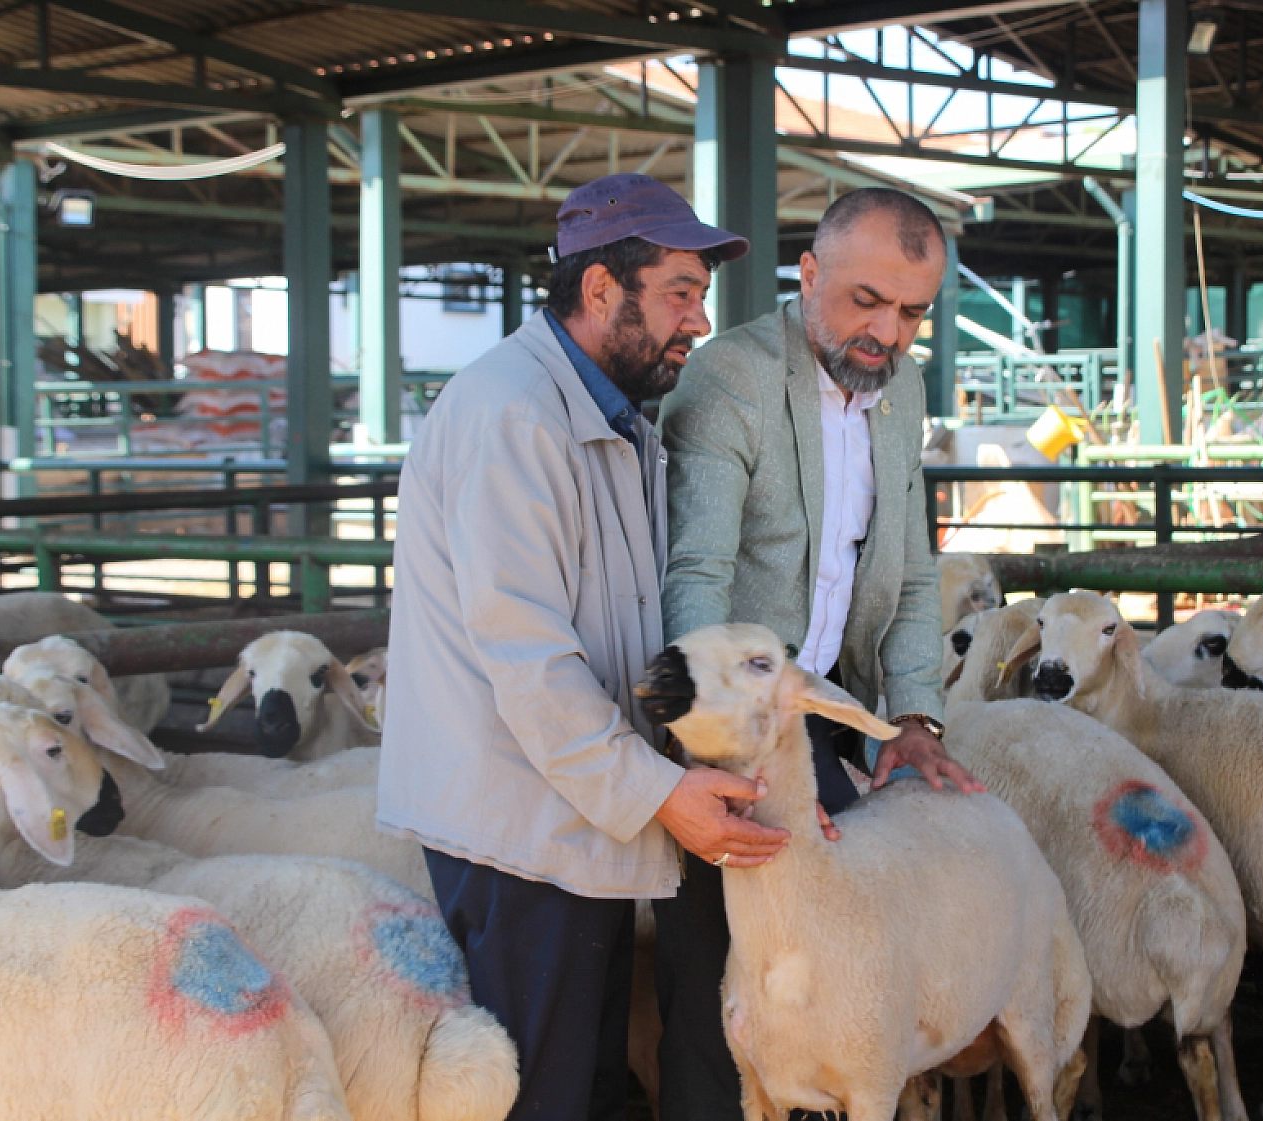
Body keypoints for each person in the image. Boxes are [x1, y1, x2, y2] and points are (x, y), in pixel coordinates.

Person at [378, 173, 793, 1121]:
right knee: (544, 1096)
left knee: (591, 1083)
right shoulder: (514, 417)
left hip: (574, 816)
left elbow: (619, 617)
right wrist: (659, 793)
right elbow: (529, 657)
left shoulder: (608, 415)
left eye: (701, 295)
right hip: (520, 834)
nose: (699, 318)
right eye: (681, 292)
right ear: (602, 289)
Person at [656, 186, 984, 1121]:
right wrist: (712, 749)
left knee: (840, 978)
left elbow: (915, 569)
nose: (888, 330)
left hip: (828, 717)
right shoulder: (732, 379)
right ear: (808, 276)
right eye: (865, 300)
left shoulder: (903, 388)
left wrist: (915, 717)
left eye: (913, 311)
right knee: (720, 1000)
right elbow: (698, 573)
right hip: (733, 734)